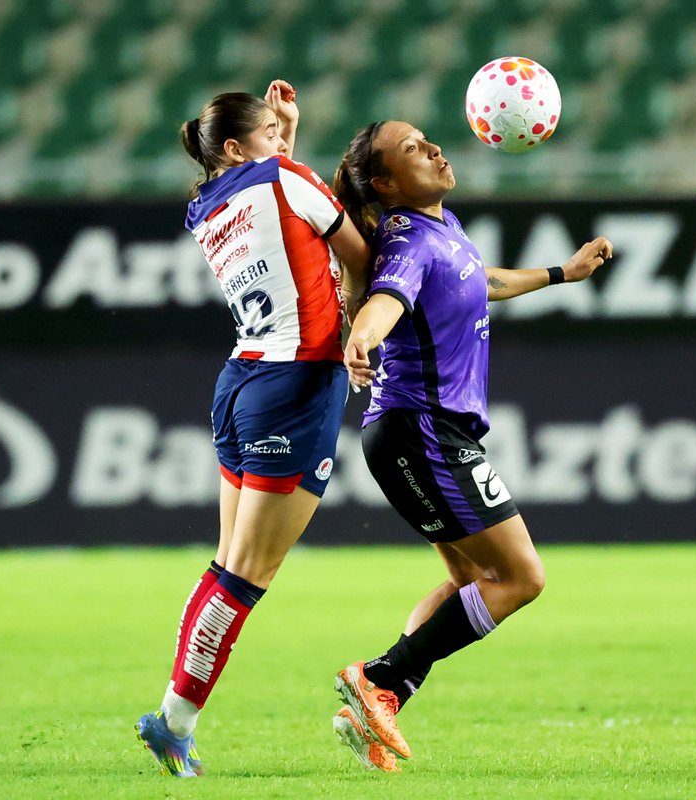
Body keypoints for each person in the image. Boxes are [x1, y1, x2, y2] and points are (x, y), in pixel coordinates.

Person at [328, 120, 613, 773]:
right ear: (386, 185)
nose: (432, 148)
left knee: (468, 581)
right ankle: (378, 679)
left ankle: (376, 702)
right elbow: (387, 298)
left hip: (416, 431)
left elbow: (481, 281)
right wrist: (363, 336)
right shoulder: (405, 238)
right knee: (521, 577)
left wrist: (560, 273)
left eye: (427, 139)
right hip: (422, 427)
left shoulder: (441, 232)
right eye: (411, 150)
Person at [134, 80, 371, 778]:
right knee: (247, 574)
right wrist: (366, 327)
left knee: (228, 564)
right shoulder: (282, 179)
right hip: (297, 383)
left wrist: (286, 132)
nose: (282, 137)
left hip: (243, 380)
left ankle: (175, 720)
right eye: (270, 129)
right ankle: (173, 722)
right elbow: (355, 253)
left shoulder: (206, 203)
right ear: (238, 146)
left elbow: (279, 201)